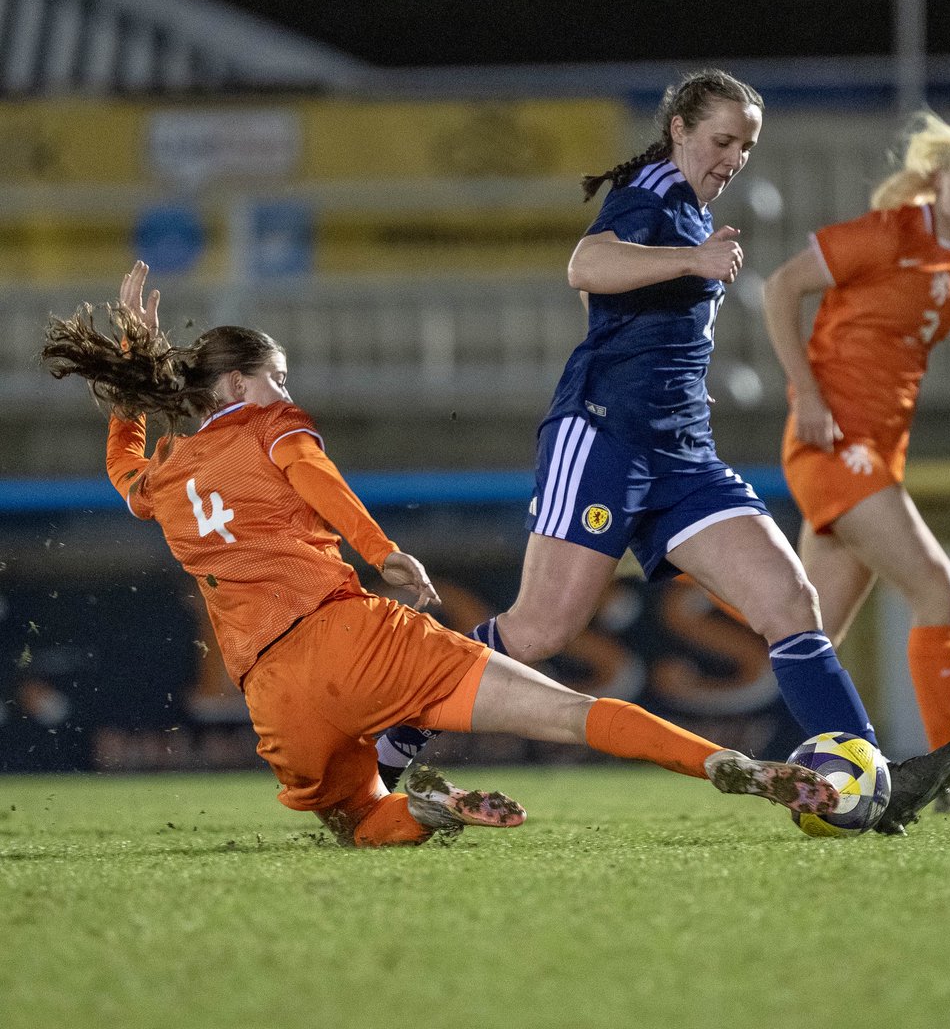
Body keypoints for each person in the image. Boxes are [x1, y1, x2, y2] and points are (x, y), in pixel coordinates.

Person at [39, 260, 847, 848]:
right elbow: (317, 481)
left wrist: (126, 400)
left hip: (272, 694)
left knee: (356, 819)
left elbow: (122, 468)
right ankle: (733, 765)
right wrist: (385, 553)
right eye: (274, 376)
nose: (284, 389)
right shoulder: (271, 426)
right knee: (570, 715)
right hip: (357, 638)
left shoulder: (166, 479)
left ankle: (424, 809)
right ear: (238, 384)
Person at [376, 69, 950, 834]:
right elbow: (585, 267)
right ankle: (395, 730)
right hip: (603, 439)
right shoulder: (655, 196)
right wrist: (689, 270)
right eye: (723, 140)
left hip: (682, 452)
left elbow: (636, 316)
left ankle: (860, 773)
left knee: (792, 604)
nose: (734, 156)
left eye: (747, 146)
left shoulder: (691, 210)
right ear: (680, 131)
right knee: (536, 633)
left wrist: (676, 374)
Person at [762, 111, 950, 814]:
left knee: (807, 634)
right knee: (938, 591)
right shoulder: (887, 233)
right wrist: (804, 392)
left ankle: (789, 778)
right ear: (941, 176)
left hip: (878, 452)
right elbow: (780, 287)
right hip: (835, 442)